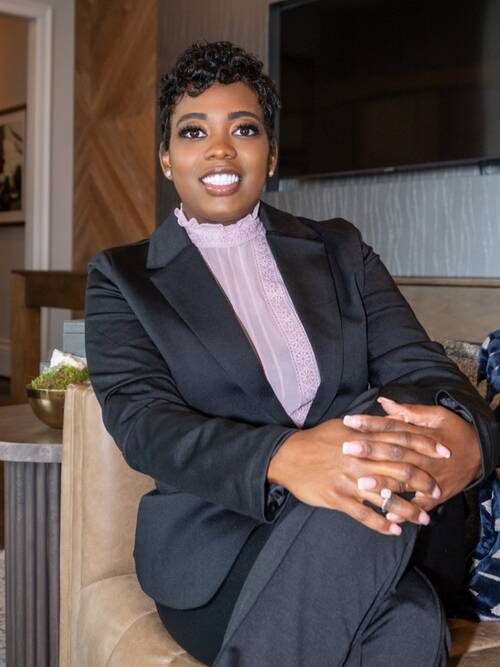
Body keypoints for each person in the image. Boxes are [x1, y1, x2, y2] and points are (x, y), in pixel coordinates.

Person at [84, 40, 499, 666]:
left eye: (243, 129)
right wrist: (284, 457)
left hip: (377, 528)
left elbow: (420, 368)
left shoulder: (341, 251)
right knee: (406, 610)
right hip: (221, 547)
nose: (220, 149)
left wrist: (472, 439)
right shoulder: (123, 278)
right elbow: (144, 423)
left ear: (271, 154)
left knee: (406, 609)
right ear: (166, 158)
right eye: (193, 132)